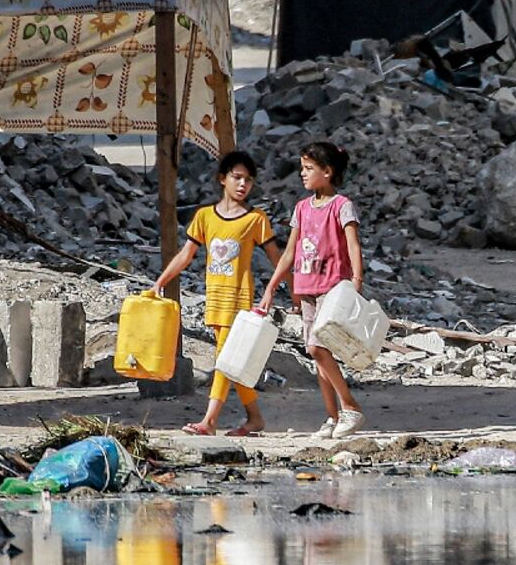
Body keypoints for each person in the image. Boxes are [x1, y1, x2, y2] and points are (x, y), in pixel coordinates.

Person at [152, 151, 285, 436]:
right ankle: (255, 418)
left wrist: (282, 289)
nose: (243, 185)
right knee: (231, 361)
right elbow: (186, 254)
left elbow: (277, 258)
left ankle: (209, 421)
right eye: (237, 178)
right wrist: (160, 281)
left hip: (240, 300)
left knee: (225, 359)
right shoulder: (204, 217)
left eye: (248, 180)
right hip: (215, 300)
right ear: (222, 179)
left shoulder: (256, 219)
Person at [258, 142, 366, 439]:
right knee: (319, 357)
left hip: (333, 289)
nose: (302, 174)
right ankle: (332, 417)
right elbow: (290, 252)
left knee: (316, 348)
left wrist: (356, 280)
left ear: (327, 172)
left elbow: (353, 245)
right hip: (307, 290)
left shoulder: (342, 206)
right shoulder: (302, 209)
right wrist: (271, 289)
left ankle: (350, 407)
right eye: (302, 168)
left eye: (309, 169)